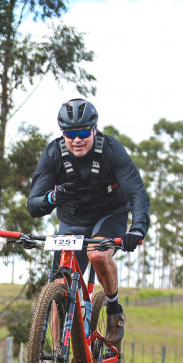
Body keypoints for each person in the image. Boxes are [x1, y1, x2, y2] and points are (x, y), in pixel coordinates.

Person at [26, 98, 150, 345]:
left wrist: (137, 228)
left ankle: (114, 309)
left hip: (109, 214)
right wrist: (53, 197)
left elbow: (137, 193)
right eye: (70, 133)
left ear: (94, 129)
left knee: (98, 255)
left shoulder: (112, 151)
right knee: (59, 285)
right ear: (63, 133)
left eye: (83, 132)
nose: (77, 139)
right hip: (72, 220)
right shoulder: (53, 153)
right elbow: (34, 205)